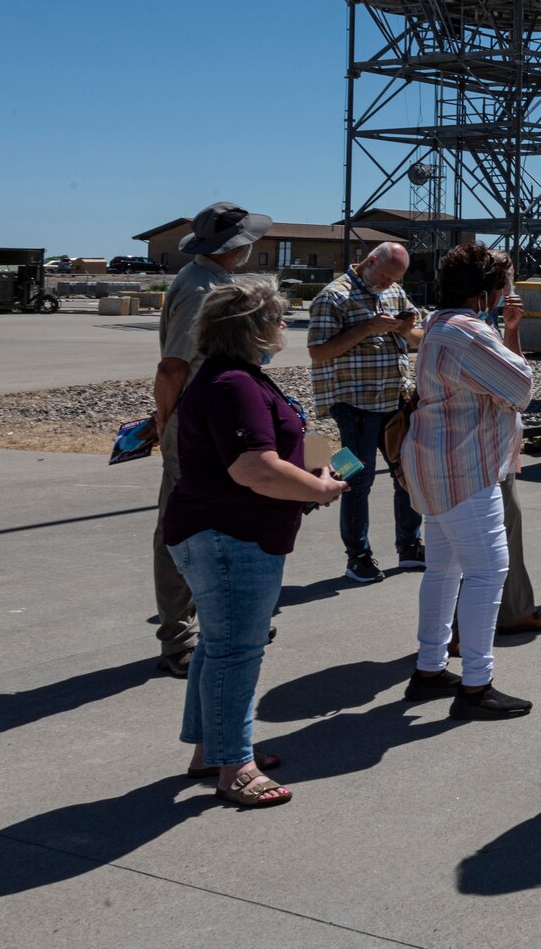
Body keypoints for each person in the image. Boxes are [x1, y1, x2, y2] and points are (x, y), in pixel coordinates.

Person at [162, 277, 347, 808]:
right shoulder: (233, 384)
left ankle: (212, 751)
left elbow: (263, 459)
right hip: (228, 536)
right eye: (279, 317)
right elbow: (253, 468)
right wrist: (319, 488)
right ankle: (234, 766)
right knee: (236, 651)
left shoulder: (237, 378)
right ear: (254, 328)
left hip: (224, 531)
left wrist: (310, 472)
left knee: (219, 647)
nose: (285, 326)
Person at [401, 243, 538, 720]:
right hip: (466, 467)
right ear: (487, 292)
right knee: (487, 571)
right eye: (506, 285)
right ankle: (477, 684)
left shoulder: (440, 325)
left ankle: (430, 667)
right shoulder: (468, 333)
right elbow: (521, 388)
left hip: (434, 463)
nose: (509, 293)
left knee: (443, 569)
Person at [149, 201, 272, 677]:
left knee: (223, 521)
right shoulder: (201, 290)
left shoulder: (216, 283)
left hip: (214, 421)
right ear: (233, 246)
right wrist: (165, 422)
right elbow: (172, 367)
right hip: (198, 426)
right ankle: (178, 640)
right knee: (179, 529)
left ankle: (221, 625)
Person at [308, 241, 425, 583]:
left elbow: (417, 336)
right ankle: (357, 556)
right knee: (359, 480)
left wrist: (407, 330)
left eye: (395, 278)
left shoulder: (395, 292)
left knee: (408, 476)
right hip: (356, 404)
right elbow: (318, 352)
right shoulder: (334, 296)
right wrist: (366, 328)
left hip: (394, 401)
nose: (389, 283)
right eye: (386, 275)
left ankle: (410, 547)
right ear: (370, 261)